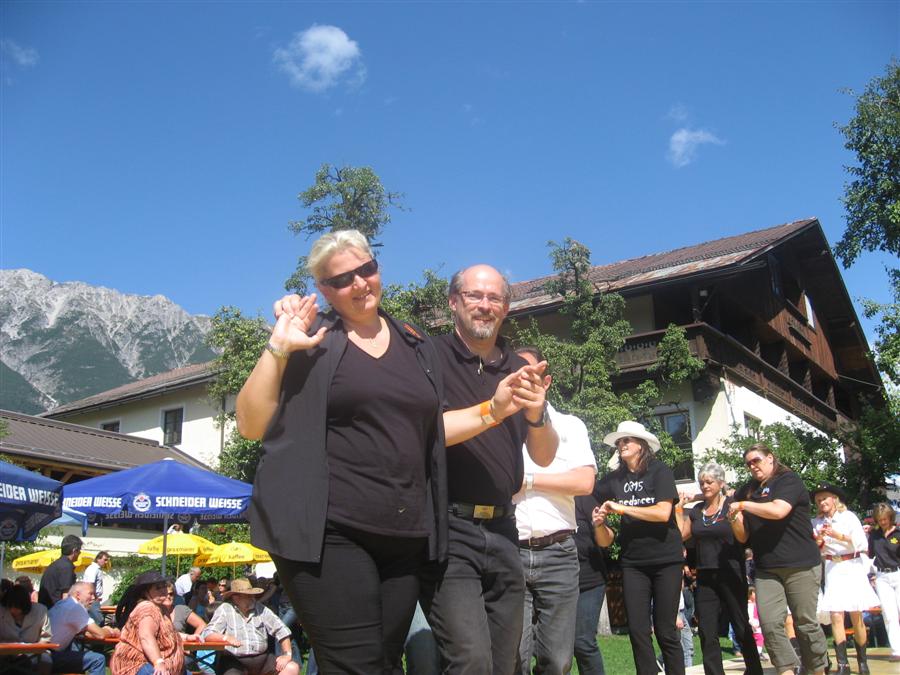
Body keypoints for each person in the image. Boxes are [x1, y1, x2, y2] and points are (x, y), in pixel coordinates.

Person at [239, 234, 543, 674]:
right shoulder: (312, 337)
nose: (360, 283)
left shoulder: (414, 345)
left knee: (384, 661)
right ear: (323, 289)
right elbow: (251, 425)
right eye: (342, 279)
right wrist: (279, 348)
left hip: (403, 537)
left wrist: (493, 410)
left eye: (367, 269)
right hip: (328, 531)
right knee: (357, 664)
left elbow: (432, 432)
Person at [421, 263, 558, 674]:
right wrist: (492, 410)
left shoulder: (519, 367)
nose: (485, 305)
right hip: (449, 528)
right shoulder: (429, 356)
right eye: (474, 295)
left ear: (506, 308)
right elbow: (423, 433)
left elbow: (545, 456)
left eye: (494, 297)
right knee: (471, 659)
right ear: (453, 302)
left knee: (505, 662)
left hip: (503, 529)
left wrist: (537, 414)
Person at [513, 345, 596, 674]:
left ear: (546, 381)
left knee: (558, 660)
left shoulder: (570, 425)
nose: (521, 380)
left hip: (558, 550)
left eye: (530, 374)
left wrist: (528, 480)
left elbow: (584, 482)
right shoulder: (499, 426)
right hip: (510, 550)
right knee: (512, 657)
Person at [591, 420, 684, 675]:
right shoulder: (615, 479)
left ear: (641, 445)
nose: (621, 444)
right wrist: (598, 518)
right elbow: (589, 494)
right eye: (619, 441)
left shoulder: (659, 471)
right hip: (633, 563)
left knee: (665, 630)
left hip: (666, 560)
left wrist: (622, 508)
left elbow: (663, 513)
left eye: (627, 440)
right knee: (638, 630)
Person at [727, 443, 827, 675]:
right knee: (770, 624)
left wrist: (742, 505)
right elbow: (742, 536)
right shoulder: (747, 490)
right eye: (748, 463)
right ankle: (786, 670)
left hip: (800, 564)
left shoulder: (788, 480)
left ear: (770, 458)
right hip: (767, 568)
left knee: (805, 623)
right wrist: (734, 517)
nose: (753, 466)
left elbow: (778, 510)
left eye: (756, 460)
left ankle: (818, 670)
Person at [675, 462, 763, 675]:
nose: (705, 486)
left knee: (740, 624)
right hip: (705, 575)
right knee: (707, 630)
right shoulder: (697, 511)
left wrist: (733, 518)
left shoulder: (731, 505)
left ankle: (754, 670)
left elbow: (742, 536)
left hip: (730, 572)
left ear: (720, 483)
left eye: (709, 482)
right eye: (702, 482)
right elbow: (681, 535)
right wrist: (679, 508)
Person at [810, 482, 879, 674]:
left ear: (834, 499)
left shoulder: (848, 517)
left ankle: (862, 661)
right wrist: (819, 540)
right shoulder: (816, 522)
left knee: (856, 614)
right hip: (832, 567)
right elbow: (815, 548)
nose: (822, 502)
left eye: (824, 498)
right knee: (836, 614)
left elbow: (862, 542)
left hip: (852, 565)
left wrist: (838, 535)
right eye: (818, 500)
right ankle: (843, 664)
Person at [201, 578, 298, 675]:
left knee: (291, 668)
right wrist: (226, 638)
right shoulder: (225, 609)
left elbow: (281, 629)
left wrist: (287, 654)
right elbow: (208, 634)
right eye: (248, 595)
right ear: (236, 597)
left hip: (263, 659)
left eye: (252, 594)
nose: (252, 598)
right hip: (234, 661)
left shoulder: (260, 608)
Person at [48, 581, 119, 675]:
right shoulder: (76, 607)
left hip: (42, 654)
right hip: (51, 656)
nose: (93, 598)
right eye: (90, 594)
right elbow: (100, 634)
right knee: (98, 659)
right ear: (78, 595)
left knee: (78, 653)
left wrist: (102, 631)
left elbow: (85, 632)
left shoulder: (63, 603)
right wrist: (112, 631)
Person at [572, 492, 608, 675]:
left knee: (582, 641)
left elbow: (607, 540)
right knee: (550, 646)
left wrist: (598, 525)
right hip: (554, 580)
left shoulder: (584, 497)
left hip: (588, 580)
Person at [869, 502, 900, 662]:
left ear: (890, 517)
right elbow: (869, 555)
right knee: (889, 614)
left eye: (885, 519)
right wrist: (871, 575)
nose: (883, 522)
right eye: (880, 519)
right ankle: (897, 650)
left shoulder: (898, 533)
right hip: (882, 576)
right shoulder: (874, 535)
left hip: (898, 573)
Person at [0, 584, 52, 675]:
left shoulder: (40, 611)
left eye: (17, 607)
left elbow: (46, 637)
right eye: (10, 607)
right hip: (4, 652)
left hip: (33, 651)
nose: (13, 610)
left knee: (46, 661)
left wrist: (30, 650)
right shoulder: (2, 611)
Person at [38, 534, 82, 609]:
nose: (80, 553)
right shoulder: (66, 567)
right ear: (74, 551)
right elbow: (66, 595)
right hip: (55, 610)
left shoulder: (56, 564)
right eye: (79, 550)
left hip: (46, 609)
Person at [82, 550, 110, 625]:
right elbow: (90, 584)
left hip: (92, 598)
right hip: (92, 599)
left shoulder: (95, 569)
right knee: (99, 621)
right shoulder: (93, 569)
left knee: (93, 621)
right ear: (98, 559)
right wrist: (95, 597)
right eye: (105, 560)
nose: (106, 562)